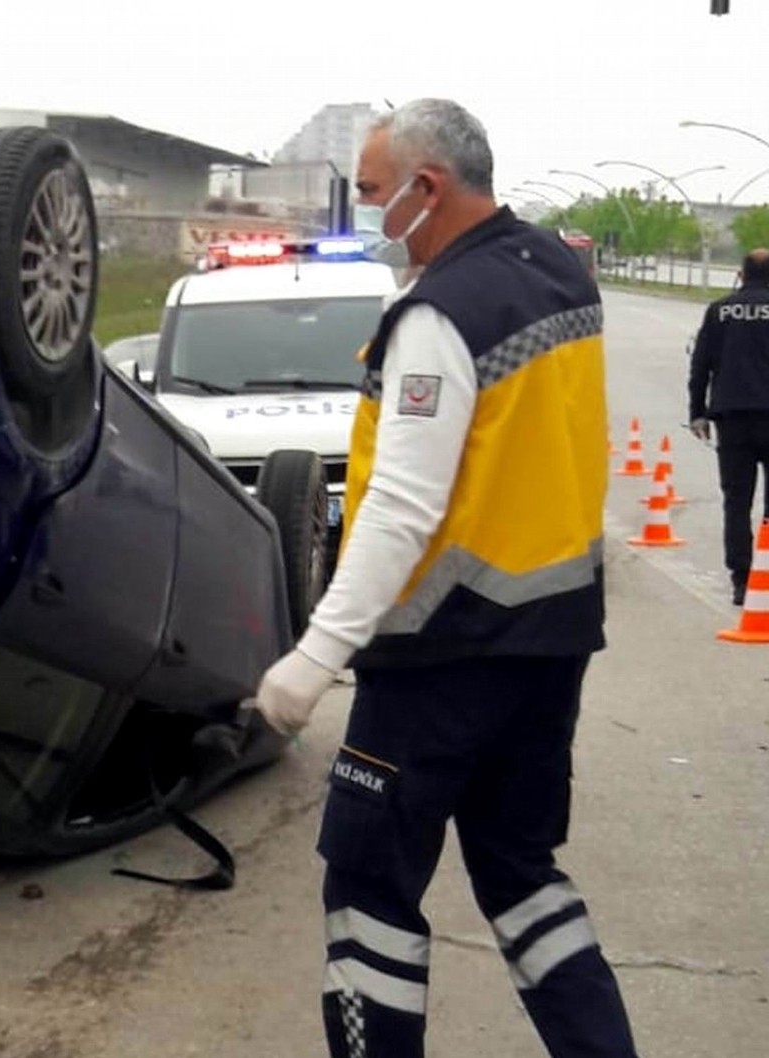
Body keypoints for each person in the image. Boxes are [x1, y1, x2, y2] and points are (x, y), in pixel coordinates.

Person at [253, 100, 639, 1057]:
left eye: (377, 193)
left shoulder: (438, 314)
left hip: (436, 661)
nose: (371, 212)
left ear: (429, 189)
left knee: (369, 890)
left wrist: (314, 656)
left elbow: (399, 508)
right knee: (521, 872)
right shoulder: (557, 271)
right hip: (549, 644)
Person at [688, 249, 769, 606]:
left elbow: (700, 365)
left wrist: (698, 412)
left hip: (733, 420)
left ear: (740, 273)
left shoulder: (720, 310)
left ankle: (741, 578)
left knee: (736, 501)